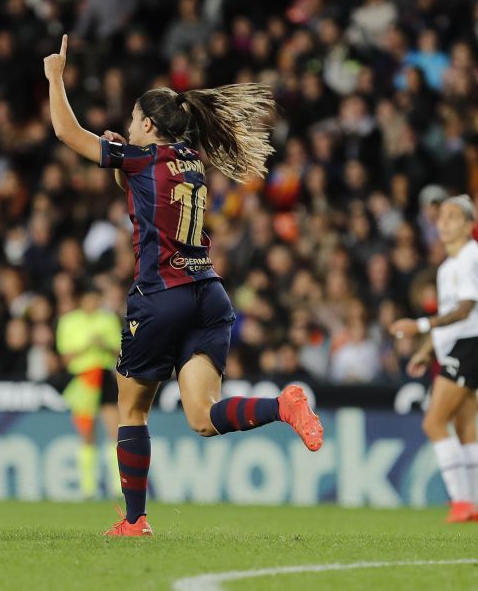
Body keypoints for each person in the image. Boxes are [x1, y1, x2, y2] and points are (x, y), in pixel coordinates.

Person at [44, 35, 324, 537]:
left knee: (131, 407)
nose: (130, 127)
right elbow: (148, 192)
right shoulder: (191, 159)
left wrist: (54, 77)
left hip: (160, 298)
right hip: (208, 295)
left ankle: (134, 520)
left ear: (148, 125)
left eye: (134, 120)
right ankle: (283, 406)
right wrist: (122, 157)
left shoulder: (140, 157)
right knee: (202, 416)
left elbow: (66, 131)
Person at [390, 195, 478, 523]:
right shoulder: (448, 267)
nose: (445, 222)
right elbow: (451, 317)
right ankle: (477, 505)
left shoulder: (471, 258)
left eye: (453, 217)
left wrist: (419, 325)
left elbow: (466, 309)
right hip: (461, 346)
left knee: (433, 422)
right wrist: (426, 351)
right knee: (465, 426)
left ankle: (461, 502)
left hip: (470, 344)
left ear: (469, 225)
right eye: (441, 217)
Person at [55, 286, 122, 500]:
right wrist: (87, 346)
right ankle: (88, 488)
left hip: (104, 376)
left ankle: (117, 486)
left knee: (114, 431)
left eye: (96, 300)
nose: (92, 304)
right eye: (88, 299)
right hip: (83, 379)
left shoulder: (108, 320)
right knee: (87, 434)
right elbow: (65, 358)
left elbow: (120, 352)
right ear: (81, 300)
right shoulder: (68, 321)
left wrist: (104, 345)